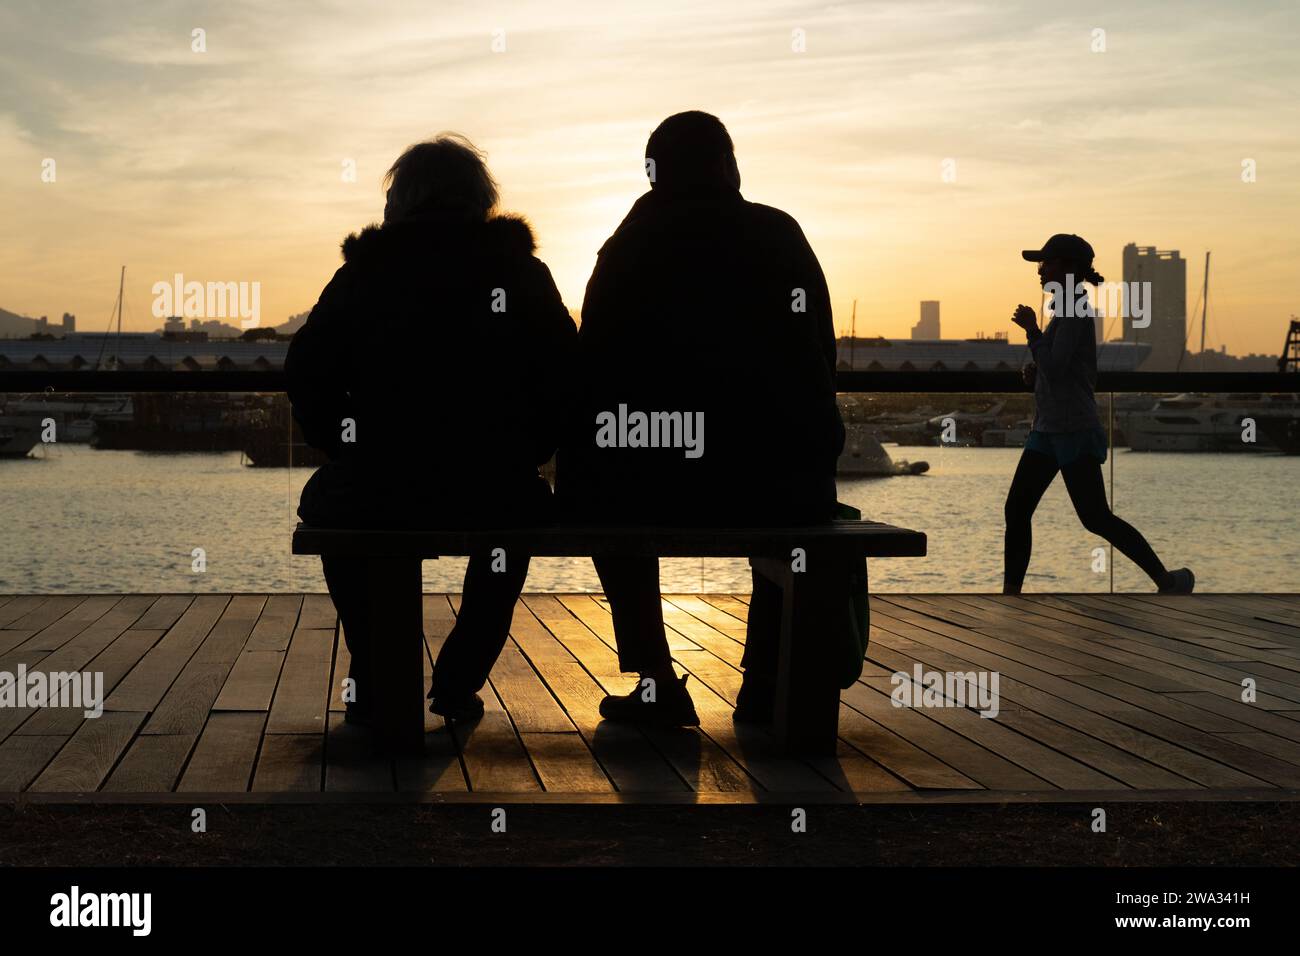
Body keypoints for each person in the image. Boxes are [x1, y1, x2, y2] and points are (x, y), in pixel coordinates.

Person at [556, 111, 845, 726]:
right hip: (781, 480)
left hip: (644, 481)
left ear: (654, 173)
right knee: (788, 505)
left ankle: (658, 678)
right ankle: (766, 677)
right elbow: (822, 351)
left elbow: (593, 363)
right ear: (725, 164)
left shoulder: (629, 245)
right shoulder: (779, 234)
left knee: (599, 489)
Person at [286, 134, 577, 725]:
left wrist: (347, 445)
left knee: (327, 508)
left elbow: (307, 373)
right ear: (481, 199)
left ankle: (373, 668)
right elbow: (567, 376)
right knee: (512, 530)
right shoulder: (519, 272)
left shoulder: (367, 273)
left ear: (401, 201)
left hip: (379, 481)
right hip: (496, 483)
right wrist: (529, 448)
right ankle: (459, 680)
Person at [1005, 232, 1193, 595]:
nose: (1040, 271)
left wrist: (1032, 333)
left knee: (1094, 517)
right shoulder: (1066, 308)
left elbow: (1058, 366)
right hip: (1048, 430)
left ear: (1069, 268)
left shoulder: (1074, 309)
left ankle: (1167, 580)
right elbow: (1058, 366)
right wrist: (1037, 368)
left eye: (1047, 263)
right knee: (1019, 509)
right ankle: (1010, 595)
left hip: (1073, 430)